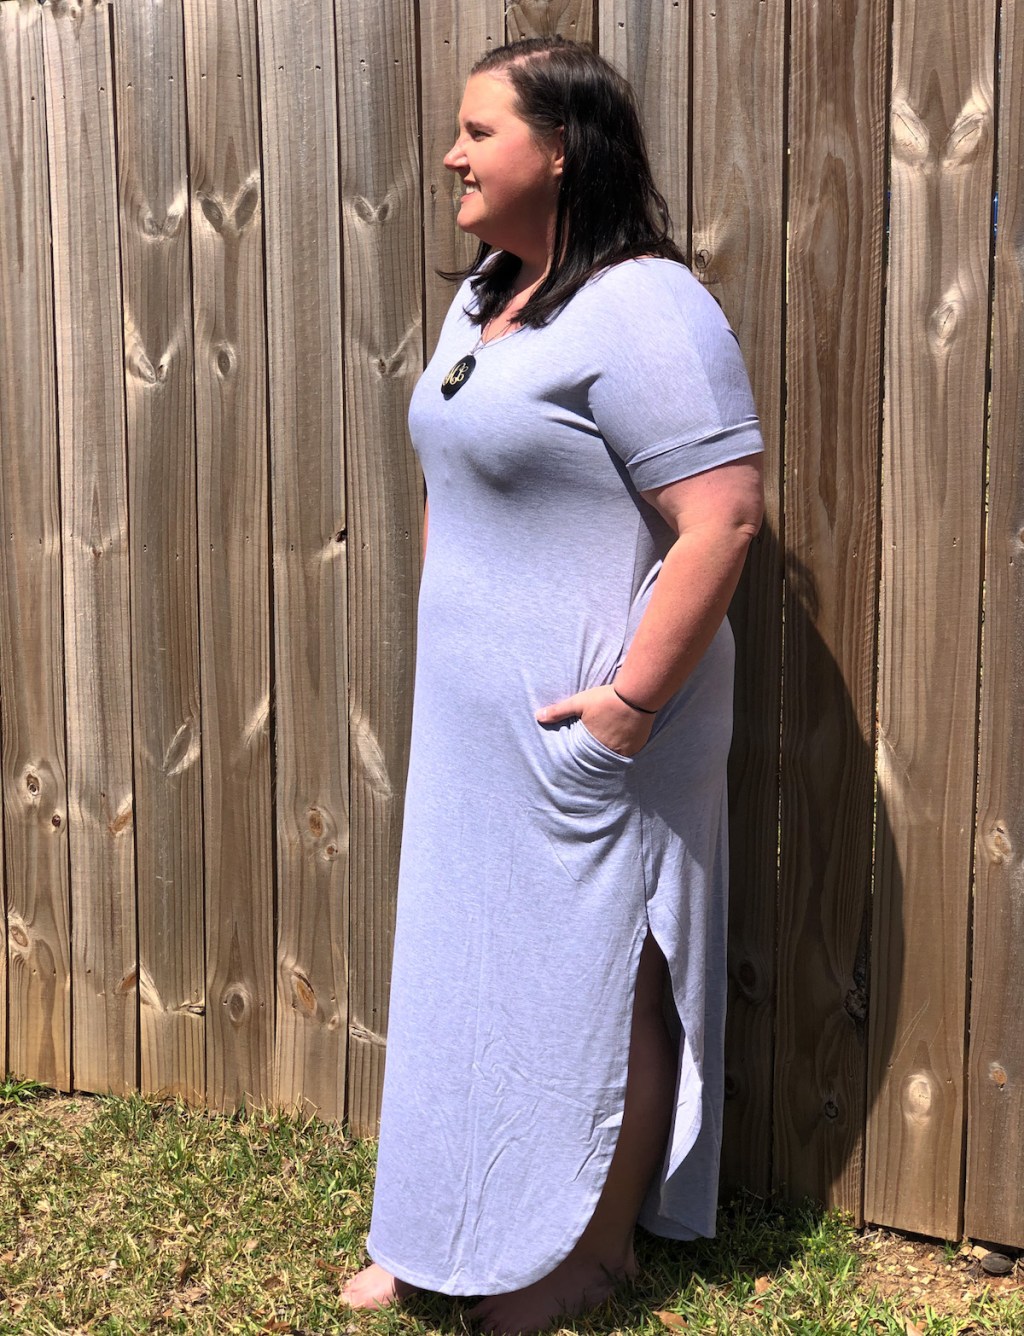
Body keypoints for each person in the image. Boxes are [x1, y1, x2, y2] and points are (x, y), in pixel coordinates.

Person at [341, 35, 764, 1335]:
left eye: (479, 132)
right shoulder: (489, 298)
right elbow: (455, 480)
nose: (453, 155)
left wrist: (627, 710)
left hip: (599, 731)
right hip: (478, 730)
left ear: (563, 147)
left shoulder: (644, 307)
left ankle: (587, 1253)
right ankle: (438, 1229)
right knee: (470, 977)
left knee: (598, 977)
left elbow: (725, 520)